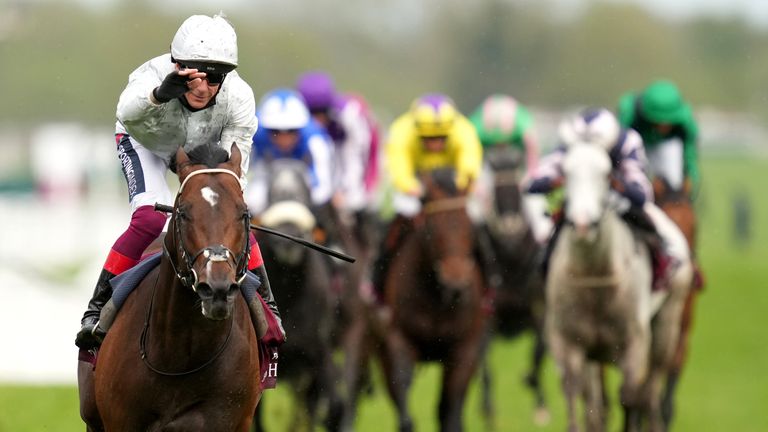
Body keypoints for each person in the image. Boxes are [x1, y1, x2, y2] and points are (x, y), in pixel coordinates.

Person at [75, 14, 284, 351]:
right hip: (144, 143)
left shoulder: (240, 98)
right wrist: (158, 95)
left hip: (197, 150)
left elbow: (236, 167)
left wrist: (230, 205)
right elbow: (125, 112)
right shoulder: (152, 75)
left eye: (214, 78)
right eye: (193, 76)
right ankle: (96, 307)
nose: (202, 87)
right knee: (149, 220)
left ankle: (268, 308)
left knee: (234, 213)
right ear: (177, 65)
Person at [524, 107, 686, 291]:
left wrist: (616, 183)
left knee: (659, 225)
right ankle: (544, 275)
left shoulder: (626, 141)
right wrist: (557, 181)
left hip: (619, 203)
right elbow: (533, 184)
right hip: (576, 204)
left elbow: (642, 194)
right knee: (544, 240)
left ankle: (665, 262)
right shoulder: (570, 144)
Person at [370, 93, 483, 301]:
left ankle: (488, 286)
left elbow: (469, 163)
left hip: (450, 191)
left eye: (441, 139)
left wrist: (461, 185)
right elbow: (399, 169)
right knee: (393, 226)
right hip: (416, 189)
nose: (435, 144)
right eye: (429, 139)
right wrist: (413, 188)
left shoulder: (463, 130)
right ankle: (377, 286)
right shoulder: (401, 131)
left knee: (478, 225)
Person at [296, 71, 381, 245]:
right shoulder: (296, 121)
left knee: (355, 207)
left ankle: (369, 253)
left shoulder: (349, 118)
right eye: (311, 113)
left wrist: (344, 192)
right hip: (332, 159)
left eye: (321, 112)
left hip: (361, 161)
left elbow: (353, 159)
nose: (317, 120)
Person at [469, 94, 551, 244]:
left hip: (520, 169)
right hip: (489, 171)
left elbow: (532, 152)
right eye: (496, 144)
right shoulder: (477, 128)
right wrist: (478, 185)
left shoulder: (522, 124)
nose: (502, 147)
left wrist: (529, 177)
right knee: (475, 204)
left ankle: (543, 238)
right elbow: (472, 159)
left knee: (534, 199)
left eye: (507, 143)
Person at [245, 88, 335, 222]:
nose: (284, 138)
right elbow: (244, 175)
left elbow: (323, 186)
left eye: (291, 131)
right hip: (266, 178)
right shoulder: (254, 134)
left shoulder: (315, 139)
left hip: (305, 184)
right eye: (276, 131)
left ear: (301, 128)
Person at [617, 80, 700, 196]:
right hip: (637, 144)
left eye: (669, 122)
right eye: (658, 122)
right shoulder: (631, 113)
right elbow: (619, 151)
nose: (664, 127)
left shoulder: (685, 122)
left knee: (674, 186)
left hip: (667, 147)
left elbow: (690, 158)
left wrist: (690, 187)